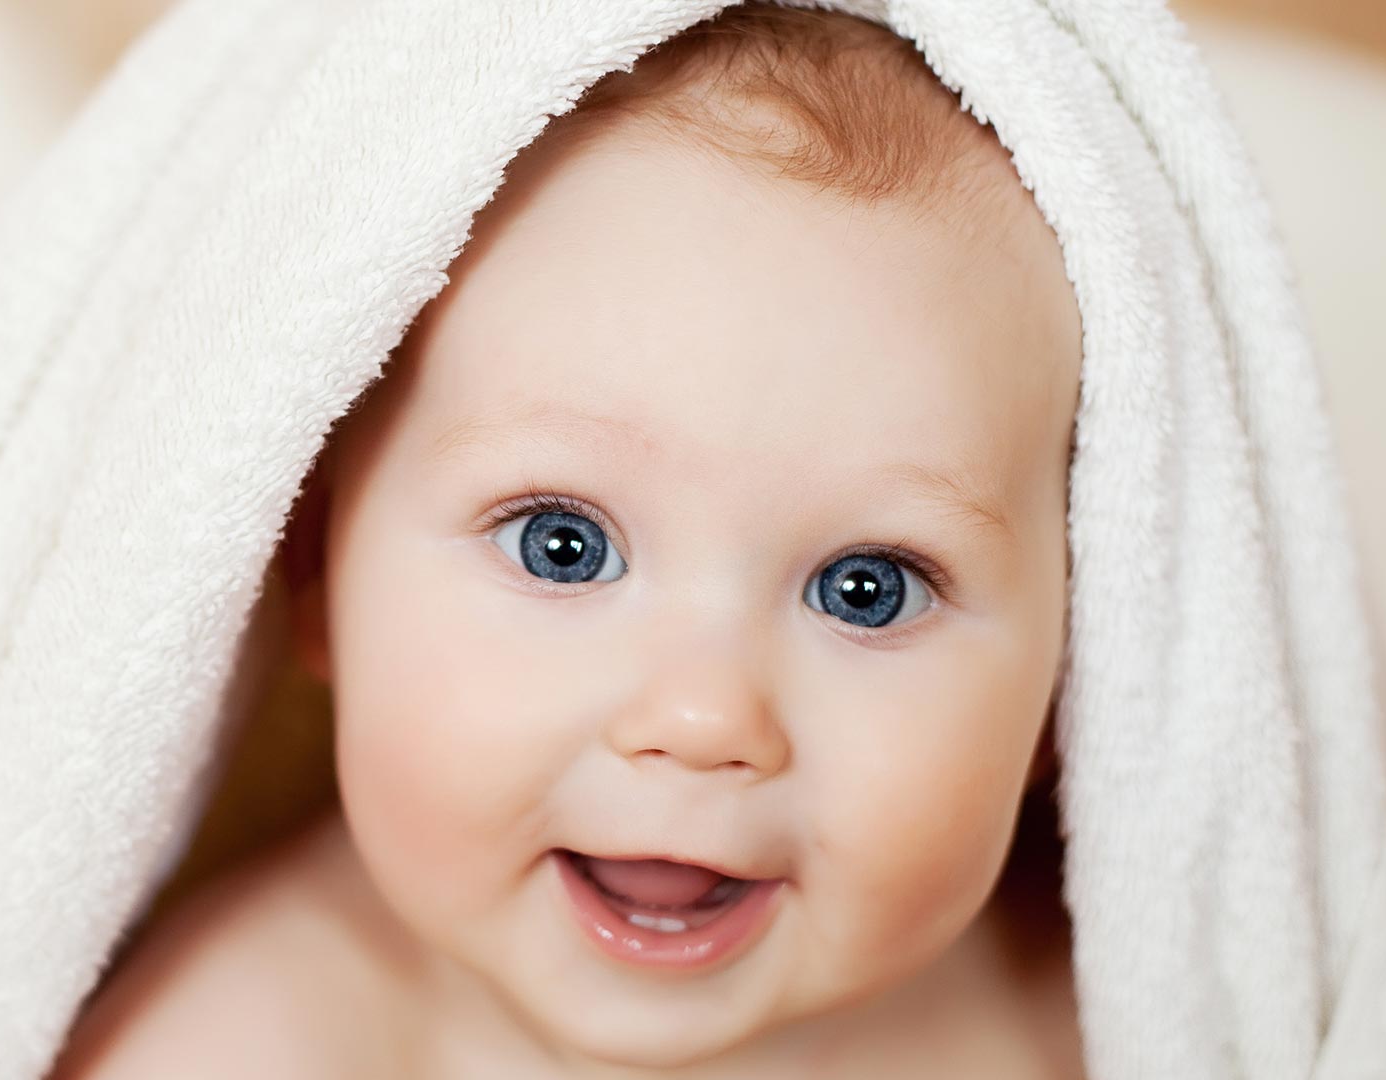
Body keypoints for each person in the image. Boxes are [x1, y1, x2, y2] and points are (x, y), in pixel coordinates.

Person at [53, 6, 1089, 1076]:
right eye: (563, 547)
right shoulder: (239, 1047)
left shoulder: (1090, 1017)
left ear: (1067, 668)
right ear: (316, 563)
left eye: (867, 589)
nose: (703, 718)